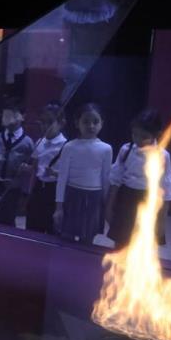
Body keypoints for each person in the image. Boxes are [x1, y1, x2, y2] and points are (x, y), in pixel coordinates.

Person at [106, 109, 171, 249]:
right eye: (135, 134)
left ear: (157, 135)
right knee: (121, 240)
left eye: (144, 137)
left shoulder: (162, 156)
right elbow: (116, 180)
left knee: (142, 242)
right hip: (126, 200)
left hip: (148, 201)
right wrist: (109, 207)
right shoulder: (126, 150)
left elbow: (167, 190)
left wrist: (162, 221)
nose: (138, 140)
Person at [53, 103, 113, 244]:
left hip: (94, 197)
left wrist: (106, 205)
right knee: (66, 236)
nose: (91, 126)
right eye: (85, 122)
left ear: (102, 124)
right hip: (72, 195)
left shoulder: (106, 149)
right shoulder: (69, 147)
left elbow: (105, 178)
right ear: (77, 123)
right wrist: (59, 207)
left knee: (88, 238)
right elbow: (62, 178)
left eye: (95, 122)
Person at [0, 100, 35, 226]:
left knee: (8, 223)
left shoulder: (28, 143)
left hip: (14, 191)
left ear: (22, 117)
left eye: (13, 114)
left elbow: (31, 172)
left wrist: (25, 193)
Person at [25, 101, 68, 235]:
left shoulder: (66, 146)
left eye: (49, 122)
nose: (44, 126)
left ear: (61, 123)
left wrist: (55, 173)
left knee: (52, 230)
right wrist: (27, 169)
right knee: (32, 227)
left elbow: (70, 175)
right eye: (42, 122)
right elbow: (35, 168)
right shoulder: (40, 142)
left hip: (55, 190)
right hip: (38, 188)